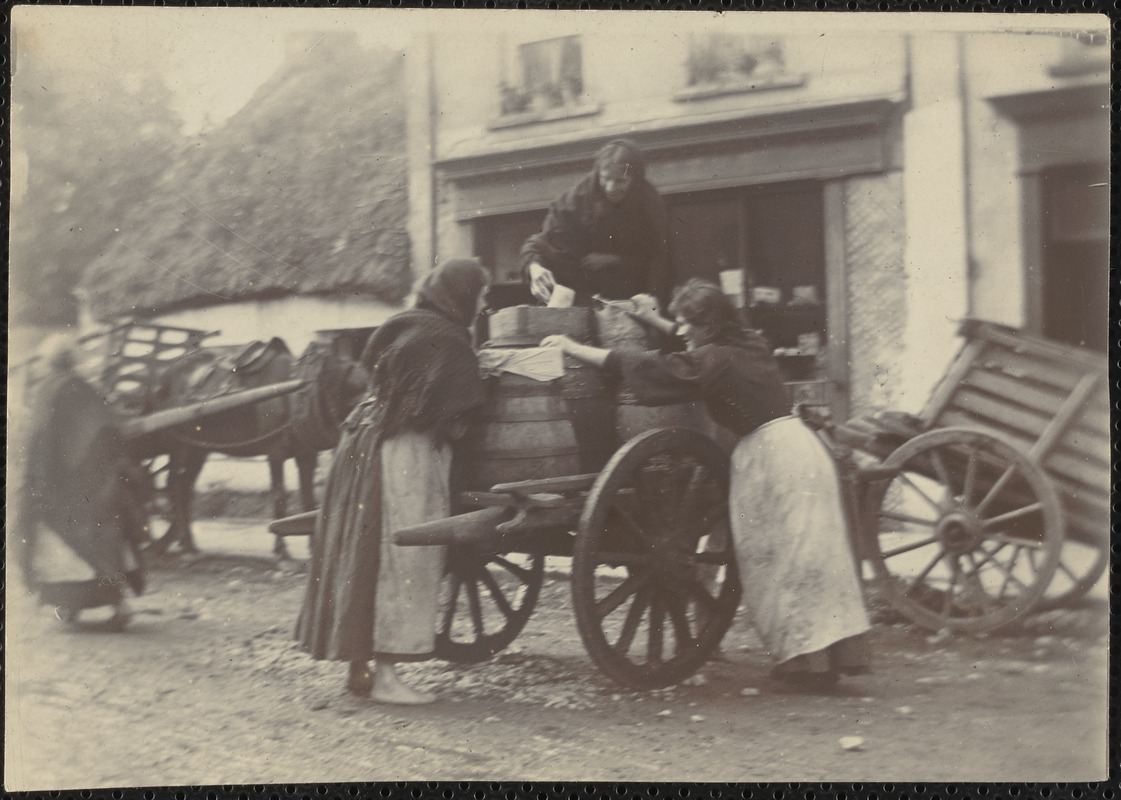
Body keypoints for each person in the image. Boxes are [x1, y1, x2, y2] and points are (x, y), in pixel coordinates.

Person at [541, 279, 871, 691]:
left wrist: (572, 349)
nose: (682, 331)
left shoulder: (716, 359)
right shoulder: (748, 342)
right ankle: (815, 660)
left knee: (785, 562)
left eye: (687, 324)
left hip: (774, 459)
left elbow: (647, 366)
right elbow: (687, 343)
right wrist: (650, 318)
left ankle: (813, 667)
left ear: (708, 325)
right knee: (807, 558)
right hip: (799, 449)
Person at [296, 258, 489, 704]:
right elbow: (454, 418)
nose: (482, 306)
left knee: (361, 553)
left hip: (359, 443)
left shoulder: (404, 325)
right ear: (461, 295)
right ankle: (387, 677)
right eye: (479, 295)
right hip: (402, 452)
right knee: (400, 558)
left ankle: (359, 669)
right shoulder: (449, 340)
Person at [16, 334, 148, 630]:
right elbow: (107, 432)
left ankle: (69, 601)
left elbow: (39, 440)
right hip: (95, 484)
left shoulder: (47, 390)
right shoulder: (86, 388)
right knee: (104, 533)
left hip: (63, 485)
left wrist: (39, 481)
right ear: (72, 359)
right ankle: (113, 602)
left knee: (57, 530)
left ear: (49, 362)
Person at [521, 138, 674, 308]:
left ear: (635, 179)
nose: (610, 188)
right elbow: (543, 242)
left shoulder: (649, 203)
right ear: (598, 173)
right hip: (581, 292)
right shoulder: (578, 197)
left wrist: (615, 260)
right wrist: (534, 267)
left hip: (629, 297)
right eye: (605, 179)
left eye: (620, 181)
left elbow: (658, 260)